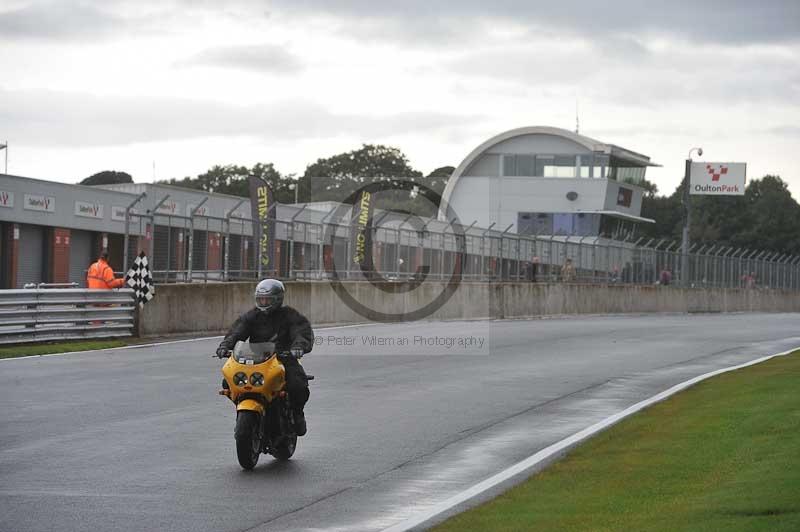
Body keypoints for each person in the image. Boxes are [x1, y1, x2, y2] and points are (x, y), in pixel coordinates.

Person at [215, 279, 314, 436]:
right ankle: (244, 409)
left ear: (277, 299)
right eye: (261, 299)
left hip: (283, 358)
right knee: (228, 383)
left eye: (267, 299)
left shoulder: (290, 316)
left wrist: (298, 347)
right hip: (256, 359)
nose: (263, 302)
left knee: (298, 384)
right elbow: (237, 331)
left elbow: (301, 332)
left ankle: (297, 414)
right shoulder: (252, 316)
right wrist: (225, 346)